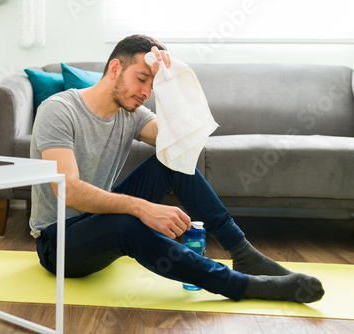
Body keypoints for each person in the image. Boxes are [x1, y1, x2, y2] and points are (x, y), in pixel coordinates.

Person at [29, 34, 324, 303]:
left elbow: (181, 144)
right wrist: (140, 207)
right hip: (59, 244)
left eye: (152, 85)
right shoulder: (58, 110)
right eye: (141, 78)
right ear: (115, 68)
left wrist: (173, 80)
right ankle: (237, 284)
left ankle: (243, 252)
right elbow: (69, 191)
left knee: (171, 163)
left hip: (97, 221)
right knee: (128, 221)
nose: (146, 92)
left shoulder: (131, 113)